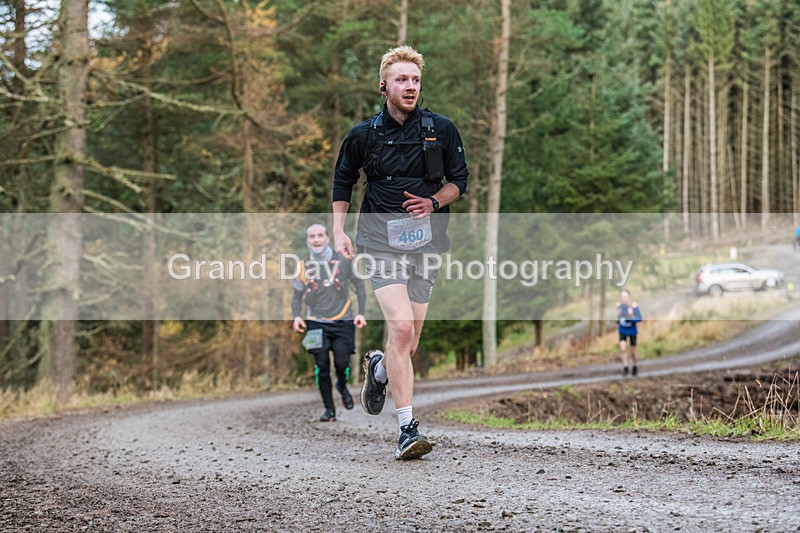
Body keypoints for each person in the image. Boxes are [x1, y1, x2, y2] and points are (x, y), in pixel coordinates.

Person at [331, 45, 469, 459]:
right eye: (402, 80)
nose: (410, 87)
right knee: (402, 329)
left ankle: (378, 367)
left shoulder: (441, 129)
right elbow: (343, 182)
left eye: (415, 80)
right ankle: (408, 429)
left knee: (406, 345)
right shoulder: (363, 135)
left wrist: (434, 202)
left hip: (426, 243)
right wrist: (338, 230)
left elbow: (459, 180)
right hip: (377, 239)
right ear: (383, 86)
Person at [292, 223, 367, 422]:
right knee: (321, 365)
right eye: (311, 236)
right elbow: (296, 296)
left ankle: (342, 386)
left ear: (327, 238)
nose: (316, 239)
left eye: (320, 235)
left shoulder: (343, 259)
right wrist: (296, 316)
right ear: (307, 240)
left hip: (343, 320)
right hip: (316, 322)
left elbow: (359, 285)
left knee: (342, 363)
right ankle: (329, 409)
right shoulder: (302, 266)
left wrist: (361, 313)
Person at [616, 289, 642, 377]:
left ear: (628, 296)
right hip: (622, 330)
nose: (624, 298)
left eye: (625, 296)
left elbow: (639, 318)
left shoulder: (634, 306)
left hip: (632, 331)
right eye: (622, 296)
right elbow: (618, 318)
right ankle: (625, 367)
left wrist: (631, 318)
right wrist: (618, 320)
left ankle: (634, 366)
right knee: (623, 349)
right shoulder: (619, 306)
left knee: (632, 351)